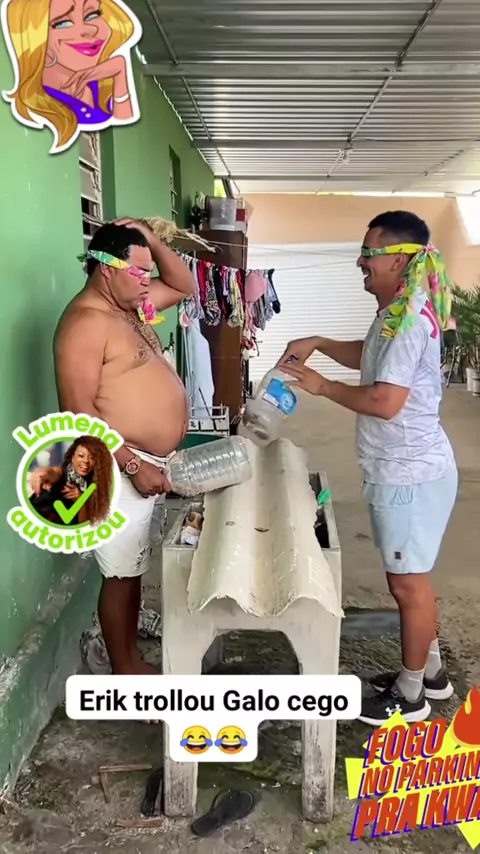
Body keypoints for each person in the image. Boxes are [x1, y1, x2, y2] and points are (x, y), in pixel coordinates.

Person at [278, 210, 458, 726]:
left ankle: (411, 693)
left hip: (407, 474)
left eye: (368, 253)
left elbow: (384, 401)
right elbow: (370, 357)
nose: (360, 262)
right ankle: (431, 672)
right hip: (407, 469)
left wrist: (322, 387)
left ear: (399, 259)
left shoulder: (408, 317)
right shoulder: (398, 310)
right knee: (413, 580)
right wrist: (318, 342)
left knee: (408, 586)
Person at [54, 219, 195, 677]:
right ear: (105, 268)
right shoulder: (86, 323)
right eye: (138, 271)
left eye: (147, 271)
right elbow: (76, 411)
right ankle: (125, 668)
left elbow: (185, 286)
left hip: (144, 463)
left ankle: (127, 656)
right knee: (120, 575)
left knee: (132, 567)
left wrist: (150, 239)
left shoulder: (129, 307)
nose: (146, 281)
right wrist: (133, 465)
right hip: (117, 467)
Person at [2, 0, 141, 153]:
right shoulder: (39, 106)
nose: (89, 29)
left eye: (92, 14)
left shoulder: (103, 87)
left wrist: (120, 72)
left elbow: (128, 141)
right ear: (35, 40)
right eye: (62, 23)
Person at [29, 436, 113, 526]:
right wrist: (40, 473)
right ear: (73, 457)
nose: (86, 461)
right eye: (81, 455)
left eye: (92, 458)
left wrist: (80, 500)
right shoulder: (62, 473)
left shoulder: (95, 489)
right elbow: (51, 472)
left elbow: (84, 525)